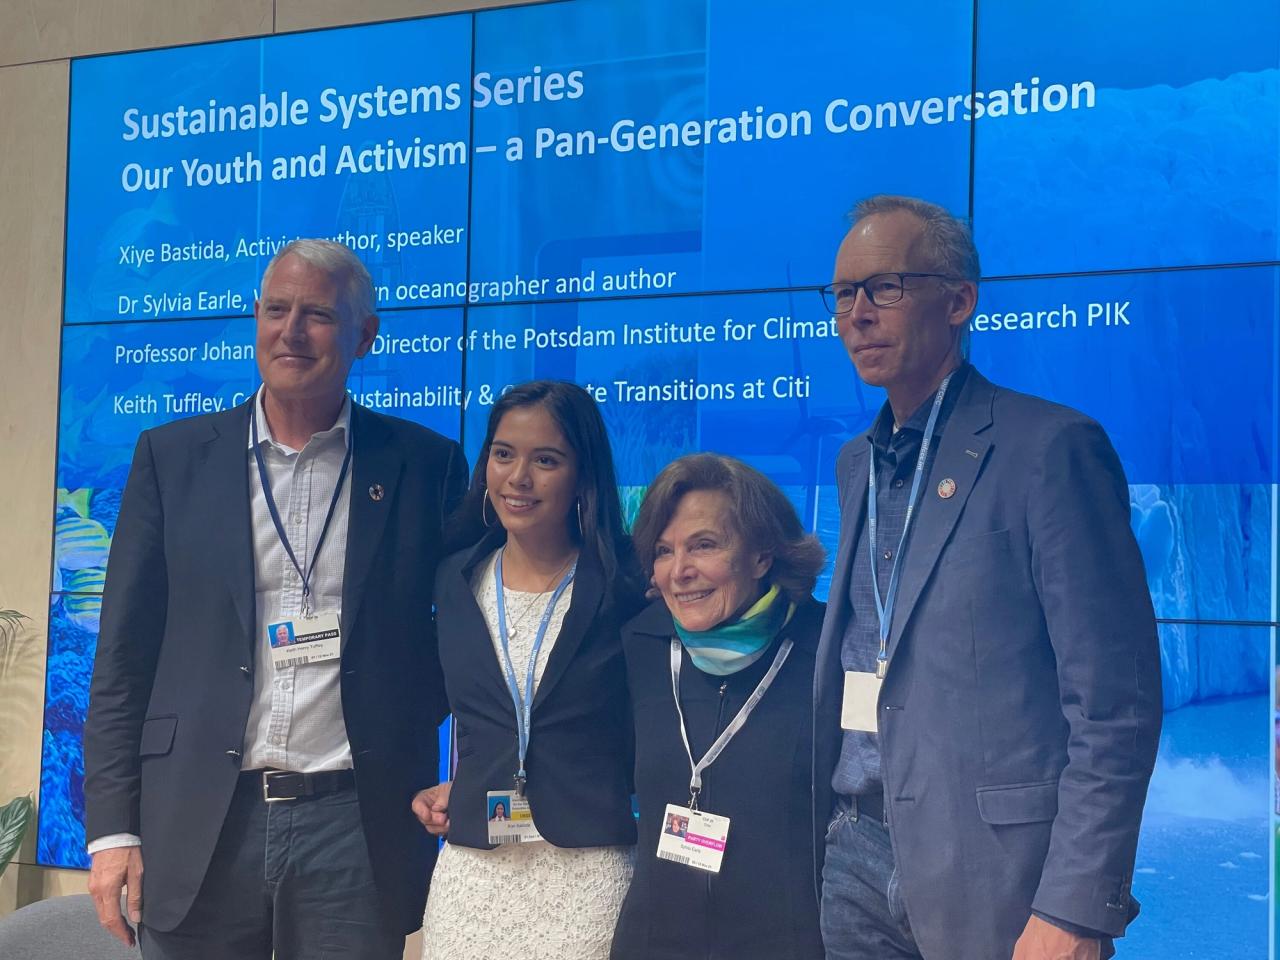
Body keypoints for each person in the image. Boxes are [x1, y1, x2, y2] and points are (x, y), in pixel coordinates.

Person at [83, 239, 466, 959]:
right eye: (277, 310)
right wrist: (112, 830)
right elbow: (122, 661)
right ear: (255, 318)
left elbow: (468, 638)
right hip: (200, 820)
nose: (291, 332)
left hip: (355, 825)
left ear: (364, 336)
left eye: (318, 314)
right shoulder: (172, 458)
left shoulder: (423, 464)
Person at [812, 195, 1162, 960]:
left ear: (960, 300)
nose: (857, 313)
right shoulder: (856, 464)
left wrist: (1076, 908)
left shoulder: (1049, 449)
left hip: (995, 870)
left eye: (885, 287)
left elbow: (1114, 707)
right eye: (842, 294)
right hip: (856, 851)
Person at [414, 380, 644, 960]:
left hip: (587, 869)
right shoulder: (454, 578)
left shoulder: (626, 585)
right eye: (503, 453)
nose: (518, 477)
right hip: (474, 871)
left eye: (546, 460)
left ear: (582, 474)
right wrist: (454, 785)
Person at [611, 454, 826, 960]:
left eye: (703, 545)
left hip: (787, 942)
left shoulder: (829, 648)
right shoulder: (639, 643)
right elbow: (588, 763)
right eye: (664, 552)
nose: (680, 572)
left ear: (761, 556)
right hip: (654, 941)